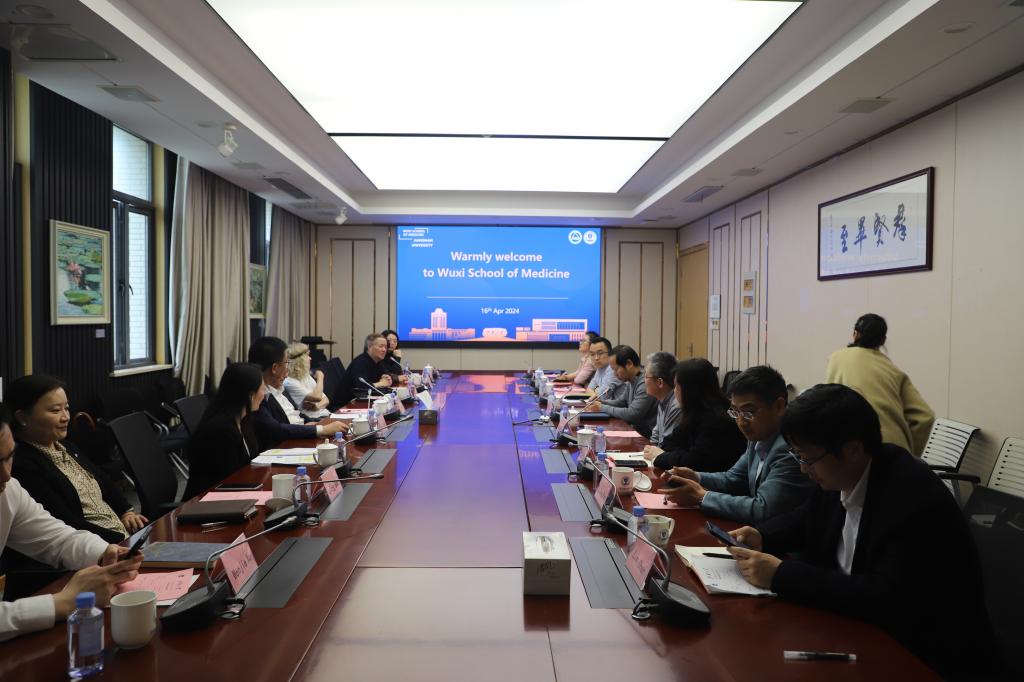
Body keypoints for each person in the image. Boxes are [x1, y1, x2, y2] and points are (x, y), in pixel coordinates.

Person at [725, 384, 994, 679]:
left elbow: (884, 597)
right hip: (853, 631)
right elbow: (807, 518)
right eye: (798, 456)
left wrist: (782, 574)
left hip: (922, 656)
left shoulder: (912, 498)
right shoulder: (842, 473)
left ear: (852, 450)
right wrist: (762, 535)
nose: (803, 469)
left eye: (807, 458)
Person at [0, 404, 143, 642]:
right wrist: (62, 603)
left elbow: (57, 538)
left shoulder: (8, 490)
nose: (6, 474)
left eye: (9, 457)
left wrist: (104, 553)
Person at [658, 365, 813, 524]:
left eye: (748, 412)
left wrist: (702, 497)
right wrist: (695, 476)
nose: (741, 422)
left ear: (779, 406)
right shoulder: (758, 436)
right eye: (735, 412)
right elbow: (732, 479)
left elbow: (763, 509)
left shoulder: (790, 447)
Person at [6, 375, 147, 543]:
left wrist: (126, 512)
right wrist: (121, 540)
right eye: (55, 411)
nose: (65, 417)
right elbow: (64, 521)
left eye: (66, 408)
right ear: (22, 417)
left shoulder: (67, 447)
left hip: (121, 536)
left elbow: (102, 479)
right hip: (93, 546)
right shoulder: (23, 465)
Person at [825, 313, 934, 456]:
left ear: (855, 334)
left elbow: (829, 406)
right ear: (883, 340)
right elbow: (925, 417)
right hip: (896, 453)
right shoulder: (893, 370)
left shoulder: (837, 359)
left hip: (856, 451)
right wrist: (911, 454)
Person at [248, 336, 347, 451]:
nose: (288, 370)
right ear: (274, 368)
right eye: (286, 363)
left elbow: (298, 414)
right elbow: (276, 430)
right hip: (285, 448)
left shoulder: (280, 388)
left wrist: (317, 425)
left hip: (300, 437)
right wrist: (321, 429)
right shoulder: (259, 396)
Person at [649, 358, 746, 473]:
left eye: (676, 387)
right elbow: (668, 443)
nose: (674, 392)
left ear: (689, 391)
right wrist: (681, 455)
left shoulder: (717, 420)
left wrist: (663, 456)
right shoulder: (695, 413)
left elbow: (695, 463)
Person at [183, 363, 265, 499]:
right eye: (262, 389)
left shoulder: (243, 420)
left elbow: (250, 461)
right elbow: (227, 481)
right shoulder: (220, 431)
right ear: (250, 395)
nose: (264, 394)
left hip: (234, 494)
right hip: (208, 502)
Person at [596, 345, 656, 438]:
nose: (614, 374)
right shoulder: (631, 380)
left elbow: (632, 414)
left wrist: (602, 407)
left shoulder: (645, 381)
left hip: (647, 436)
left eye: (616, 369)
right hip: (636, 431)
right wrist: (601, 402)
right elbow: (622, 402)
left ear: (629, 364)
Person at [640, 351, 681, 448]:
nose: (643, 381)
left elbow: (667, 444)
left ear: (660, 382)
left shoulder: (676, 405)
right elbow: (656, 436)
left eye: (646, 376)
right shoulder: (662, 399)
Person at [283, 342, 330, 419]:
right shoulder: (289, 382)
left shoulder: (306, 376)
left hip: (322, 414)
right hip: (311, 419)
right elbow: (317, 397)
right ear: (300, 360)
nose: (310, 358)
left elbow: (326, 400)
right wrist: (320, 377)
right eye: (307, 355)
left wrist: (316, 407)